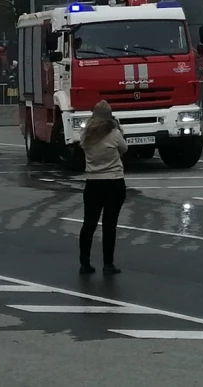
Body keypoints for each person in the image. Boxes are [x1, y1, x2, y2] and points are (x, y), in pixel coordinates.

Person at [78, 100, 128, 275]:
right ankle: (108, 263)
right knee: (109, 224)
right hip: (114, 182)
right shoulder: (114, 134)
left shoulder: (86, 135)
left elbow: (82, 147)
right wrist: (119, 129)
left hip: (93, 183)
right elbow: (124, 149)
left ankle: (84, 263)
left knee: (89, 224)